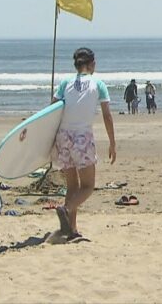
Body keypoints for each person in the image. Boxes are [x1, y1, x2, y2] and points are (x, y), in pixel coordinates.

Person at [52, 47, 116, 239]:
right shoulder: (98, 84)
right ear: (92, 64)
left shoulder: (65, 83)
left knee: (73, 187)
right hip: (82, 139)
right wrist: (112, 142)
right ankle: (66, 208)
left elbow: (52, 109)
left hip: (63, 137)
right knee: (88, 186)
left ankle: (70, 230)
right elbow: (107, 115)